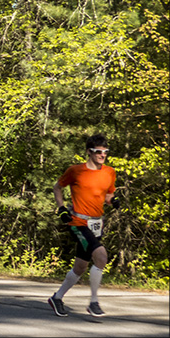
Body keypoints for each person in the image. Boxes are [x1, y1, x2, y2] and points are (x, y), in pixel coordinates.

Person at [48, 134, 119, 317]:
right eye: (98, 152)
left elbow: (108, 195)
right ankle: (93, 302)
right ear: (89, 152)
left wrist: (113, 201)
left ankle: (57, 297)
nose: (102, 155)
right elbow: (57, 187)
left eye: (105, 152)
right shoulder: (75, 171)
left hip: (97, 223)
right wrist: (62, 208)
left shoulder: (110, 172)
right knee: (101, 256)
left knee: (80, 266)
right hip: (77, 222)